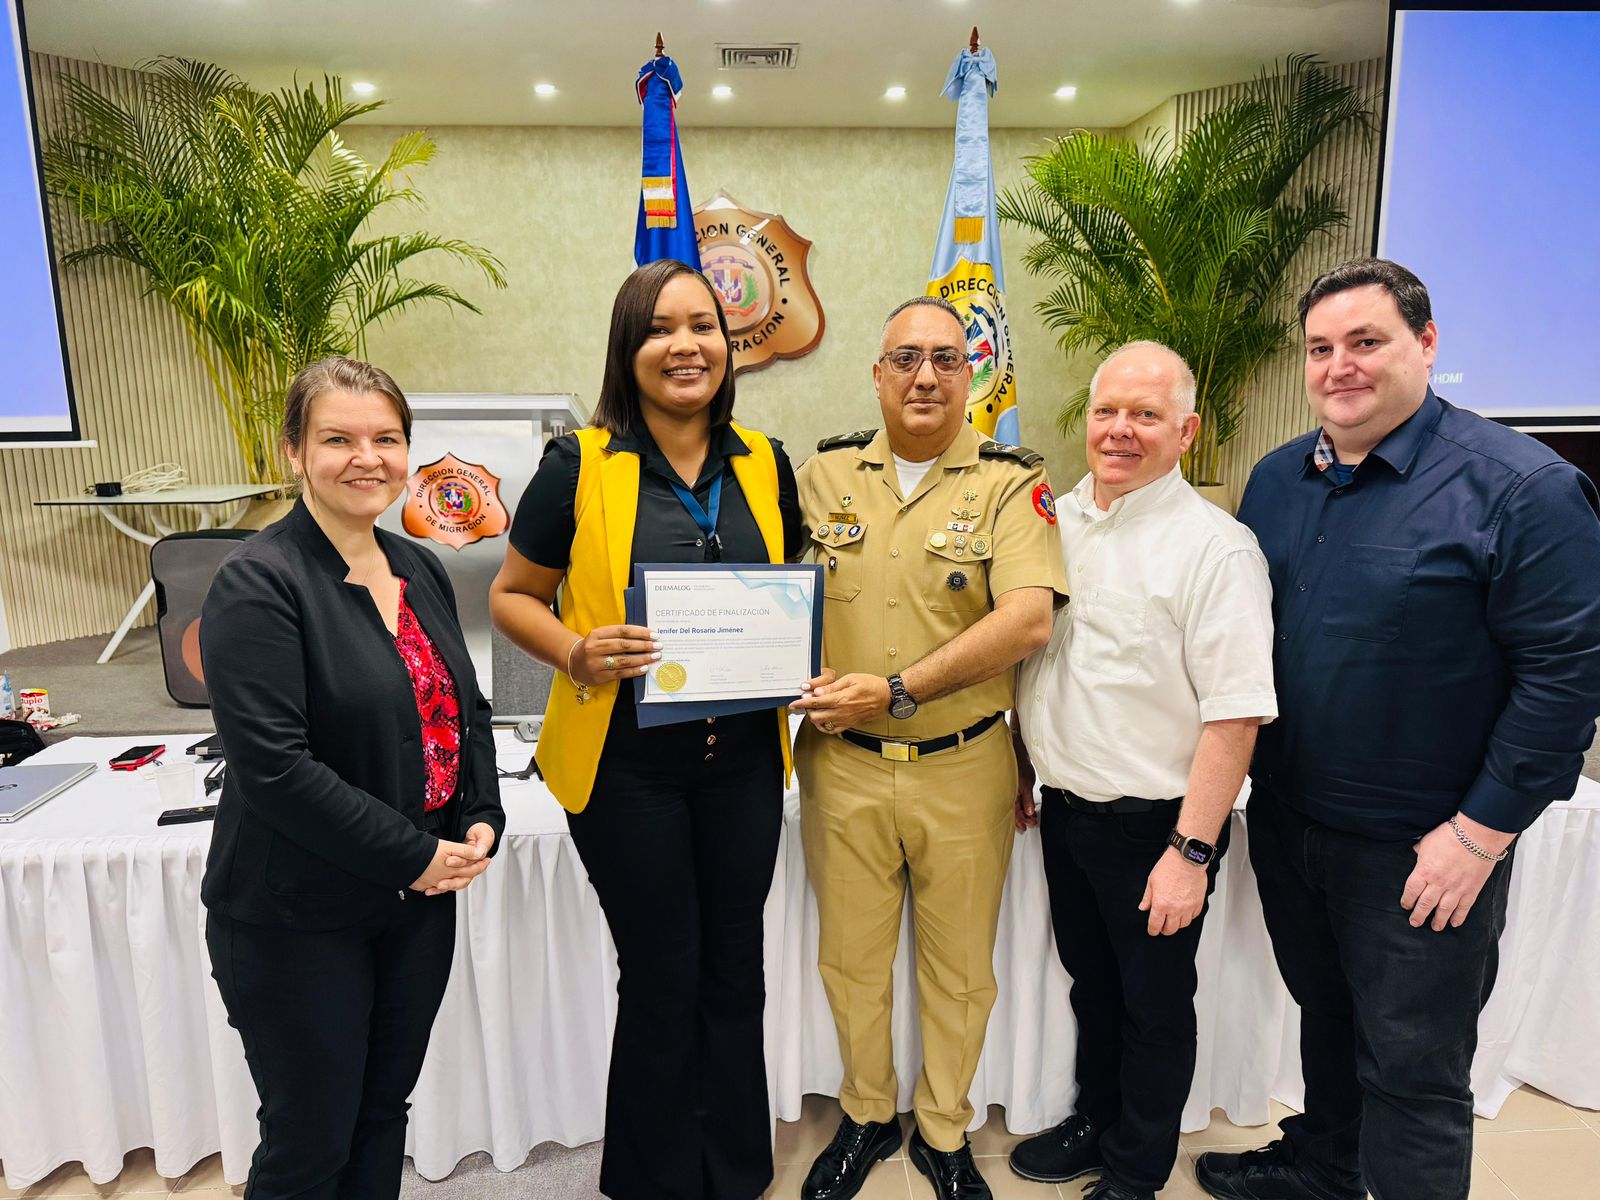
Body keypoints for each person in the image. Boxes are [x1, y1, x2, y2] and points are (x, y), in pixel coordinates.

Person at [1193, 258, 1600, 1200]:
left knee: (1414, 1070)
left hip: (1423, 853)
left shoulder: (1523, 489)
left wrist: (1479, 837)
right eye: (1320, 348)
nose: (1339, 366)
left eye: (1365, 341)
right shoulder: (1276, 480)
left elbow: (1565, 683)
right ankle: (1327, 1168)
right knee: (1326, 1020)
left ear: (1426, 343)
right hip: (1292, 825)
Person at [489, 258, 808, 1200]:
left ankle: (735, 1172)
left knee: (735, 968)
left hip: (742, 763)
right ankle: (655, 1180)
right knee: (664, 972)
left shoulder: (765, 461)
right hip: (626, 768)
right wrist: (576, 652)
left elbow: (786, 588)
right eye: (661, 328)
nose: (686, 345)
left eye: (703, 325)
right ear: (628, 348)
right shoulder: (577, 464)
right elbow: (512, 596)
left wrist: (799, 658)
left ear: (728, 345)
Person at [199, 356, 505, 1200]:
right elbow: (274, 767)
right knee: (311, 1139)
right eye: (338, 439)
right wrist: (415, 854)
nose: (367, 458)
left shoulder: (418, 567)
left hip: (415, 906)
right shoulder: (257, 582)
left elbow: (464, 709)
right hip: (297, 914)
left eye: (387, 438)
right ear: (295, 452)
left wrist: (479, 810)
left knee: (380, 1114)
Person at [790, 296, 1068, 1200]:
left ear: (971, 377)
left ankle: (945, 1131)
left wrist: (899, 688)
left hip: (964, 765)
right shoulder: (822, 476)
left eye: (947, 359)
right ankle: (868, 1115)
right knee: (850, 963)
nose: (925, 376)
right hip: (842, 768)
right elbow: (764, 593)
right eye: (906, 358)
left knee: (959, 972)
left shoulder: (1011, 482)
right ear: (877, 375)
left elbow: (1026, 620)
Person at [1006, 342, 1277, 1200]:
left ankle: (1136, 1170)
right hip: (1065, 811)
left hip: (1157, 827)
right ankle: (1097, 1119)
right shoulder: (1052, 521)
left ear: (1185, 432)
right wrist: (1022, 762)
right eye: (1107, 411)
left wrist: (1190, 854)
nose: (1120, 430)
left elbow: (1236, 715)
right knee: (1092, 987)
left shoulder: (1216, 550)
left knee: (1152, 1008)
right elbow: (1037, 663)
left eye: (1146, 415)